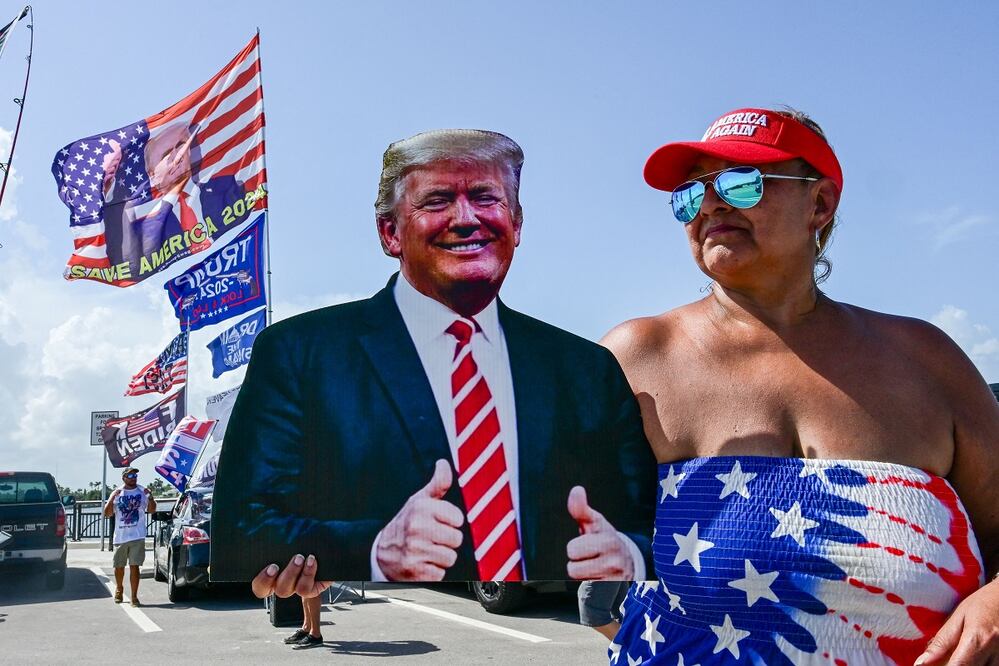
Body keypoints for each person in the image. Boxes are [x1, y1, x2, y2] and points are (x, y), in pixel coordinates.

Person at [604, 108, 999, 665]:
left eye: (742, 182)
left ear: (820, 204)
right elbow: (574, 548)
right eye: (692, 194)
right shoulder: (637, 357)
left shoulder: (926, 359)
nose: (712, 203)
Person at [210, 129, 657, 597]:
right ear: (390, 232)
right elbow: (244, 525)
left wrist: (628, 553)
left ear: (517, 224)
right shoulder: (297, 354)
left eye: (487, 198)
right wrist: (374, 548)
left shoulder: (588, 370)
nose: (466, 219)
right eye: (438, 201)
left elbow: (649, 521)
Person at [101, 121, 249, 279]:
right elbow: (128, 262)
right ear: (152, 174)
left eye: (180, 145)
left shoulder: (226, 188)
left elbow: (248, 204)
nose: (177, 156)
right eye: (165, 155)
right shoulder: (142, 230)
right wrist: (110, 193)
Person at [103, 467, 156, 607]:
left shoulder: (142, 491)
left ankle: (134, 596)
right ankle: (119, 588)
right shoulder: (118, 492)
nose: (133, 477)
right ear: (124, 477)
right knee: (119, 566)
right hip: (120, 536)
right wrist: (111, 499)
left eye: (135, 475)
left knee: (135, 567)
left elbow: (151, 510)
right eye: (130, 475)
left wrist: (150, 497)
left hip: (137, 535)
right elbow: (107, 513)